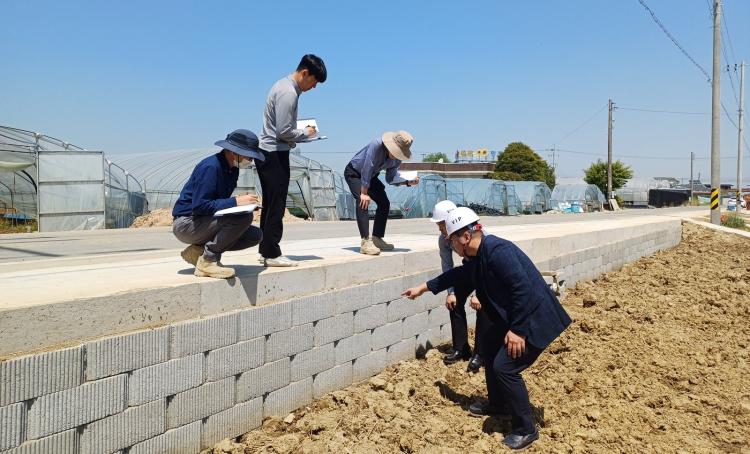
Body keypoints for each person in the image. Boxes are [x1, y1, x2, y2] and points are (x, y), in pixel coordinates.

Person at [402, 207, 572, 450]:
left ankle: (526, 429)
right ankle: (498, 404)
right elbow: (458, 275)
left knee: (505, 367)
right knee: (489, 349)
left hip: (535, 320)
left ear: (465, 237)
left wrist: (518, 331)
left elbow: (523, 289)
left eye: (451, 240)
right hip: (519, 317)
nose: (451, 246)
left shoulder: (498, 251)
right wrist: (424, 287)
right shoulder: (478, 256)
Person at [256, 54, 327, 267]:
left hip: (268, 152)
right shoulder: (289, 93)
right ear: (305, 73)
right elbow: (284, 132)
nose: (314, 87)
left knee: (270, 204)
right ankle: (271, 253)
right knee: (276, 205)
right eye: (314, 81)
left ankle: (265, 248)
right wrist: (306, 133)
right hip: (274, 154)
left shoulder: (283, 85)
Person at [172, 129, 264, 279]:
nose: (251, 161)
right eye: (249, 156)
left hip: (203, 222)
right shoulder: (210, 167)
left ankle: (197, 252)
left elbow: (216, 204)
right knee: (243, 218)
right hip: (187, 223)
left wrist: (240, 203)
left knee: (254, 235)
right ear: (234, 152)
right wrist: (235, 201)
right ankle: (207, 261)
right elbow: (200, 206)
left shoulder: (232, 170)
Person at [344, 131, 419, 255]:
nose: (397, 155)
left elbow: (390, 178)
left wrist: (407, 182)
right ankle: (365, 242)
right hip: (354, 173)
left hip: (371, 176)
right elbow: (367, 167)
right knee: (363, 201)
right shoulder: (376, 145)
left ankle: (377, 238)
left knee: (384, 203)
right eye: (396, 151)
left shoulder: (397, 159)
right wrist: (364, 193)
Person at [430, 200, 482, 372]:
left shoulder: (476, 233)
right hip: (468, 269)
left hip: (485, 270)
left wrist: (479, 293)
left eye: (441, 225)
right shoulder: (444, 240)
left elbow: (486, 264)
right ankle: (461, 348)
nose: (440, 230)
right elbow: (447, 266)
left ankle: (480, 353)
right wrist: (450, 292)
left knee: (484, 305)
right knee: (455, 301)